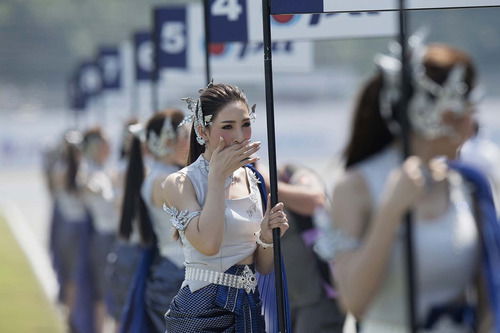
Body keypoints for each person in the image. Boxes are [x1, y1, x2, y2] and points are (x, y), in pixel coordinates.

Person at [318, 41, 496, 332]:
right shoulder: (356, 187)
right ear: (434, 112)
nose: (472, 123)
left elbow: (489, 297)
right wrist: (390, 211)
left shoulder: (468, 185)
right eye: (466, 108)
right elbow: (353, 302)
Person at [162, 82, 289, 332]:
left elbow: (262, 267)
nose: (240, 136)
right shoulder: (180, 182)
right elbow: (208, 244)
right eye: (227, 127)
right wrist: (217, 177)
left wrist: (266, 237)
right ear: (203, 131)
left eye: (246, 124)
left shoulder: (253, 180)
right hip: (202, 306)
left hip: (248, 305)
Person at [277, 164, 346, 332]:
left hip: (317, 299)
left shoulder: (295, 175)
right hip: (288, 302)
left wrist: (267, 183)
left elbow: (316, 201)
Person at [81, 126, 118, 333]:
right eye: (102, 143)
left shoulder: (107, 169)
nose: (108, 147)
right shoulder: (89, 170)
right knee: (103, 292)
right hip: (104, 236)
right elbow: (97, 189)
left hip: (115, 236)